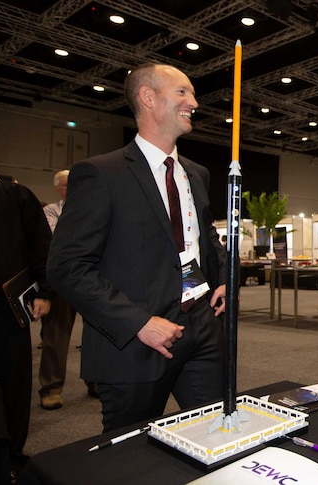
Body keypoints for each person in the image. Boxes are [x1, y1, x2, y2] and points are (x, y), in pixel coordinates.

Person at [46, 63, 228, 433]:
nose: (194, 102)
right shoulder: (101, 174)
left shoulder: (196, 174)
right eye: (182, 92)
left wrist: (223, 276)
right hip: (136, 342)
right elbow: (67, 266)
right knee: (128, 457)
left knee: (218, 435)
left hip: (202, 329)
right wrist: (138, 323)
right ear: (148, 97)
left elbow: (204, 238)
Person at [0, 133, 53, 479]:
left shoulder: (12, 195)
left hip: (3, 310)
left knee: (10, 382)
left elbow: (41, 245)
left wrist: (45, 292)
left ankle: (10, 455)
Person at [38, 170, 98, 410]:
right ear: (58, 188)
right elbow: (56, 240)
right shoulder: (50, 211)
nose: (73, 187)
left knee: (97, 334)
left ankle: (96, 381)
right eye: (67, 184)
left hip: (92, 279)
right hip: (63, 281)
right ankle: (51, 388)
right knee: (56, 337)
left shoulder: (93, 208)